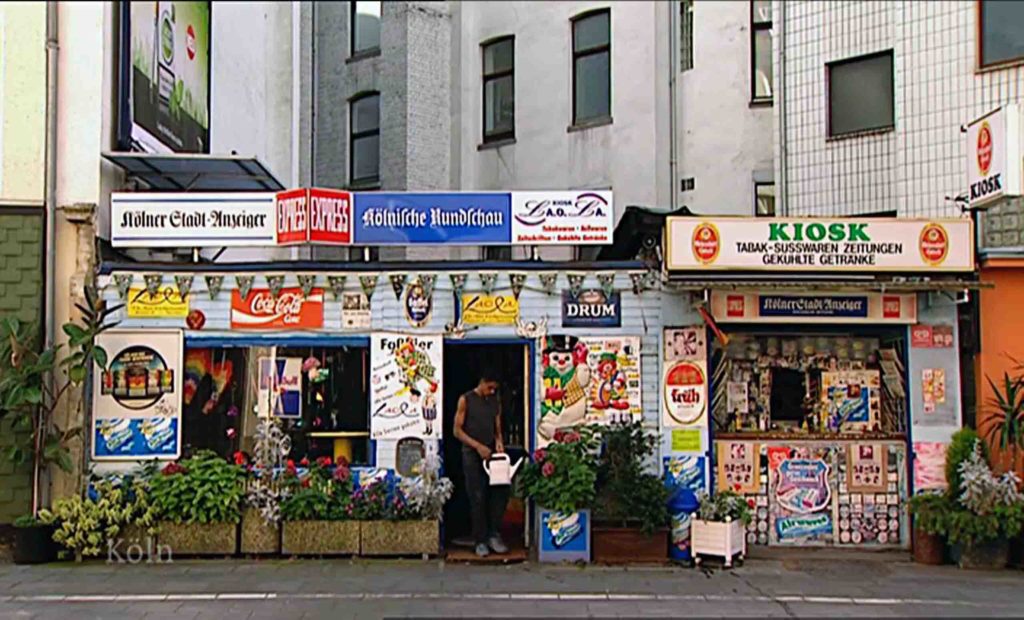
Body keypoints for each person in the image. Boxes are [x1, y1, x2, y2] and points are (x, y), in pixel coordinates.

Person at [454, 370, 509, 557]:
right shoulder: (466, 399)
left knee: (497, 493)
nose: (492, 391)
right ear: (482, 382)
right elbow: (457, 431)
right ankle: (479, 539)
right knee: (476, 496)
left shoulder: (494, 401)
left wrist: (499, 442)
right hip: (472, 452)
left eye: (495, 389)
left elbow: (497, 427)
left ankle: (494, 533)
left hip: (491, 452)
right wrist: (478, 447)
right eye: (490, 387)